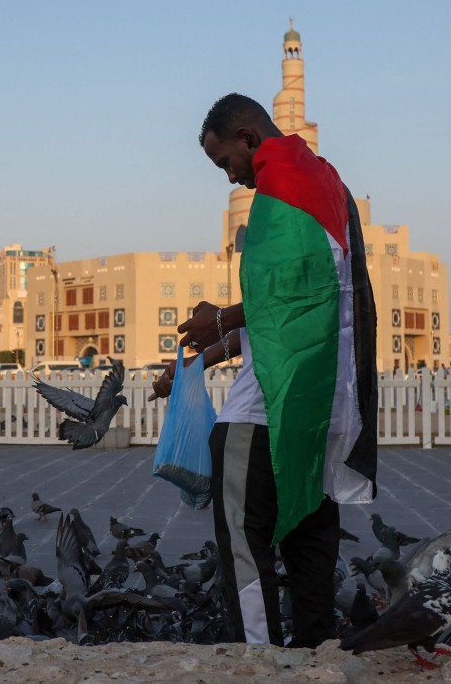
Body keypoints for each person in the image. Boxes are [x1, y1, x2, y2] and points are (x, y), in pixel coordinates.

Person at [149, 93, 378, 648]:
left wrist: (220, 316)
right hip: (320, 412)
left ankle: (261, 661)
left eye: (226, 162)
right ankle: (317, 654)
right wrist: (198, 361)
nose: (232, 178)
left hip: (262, 418)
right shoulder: (326, 183)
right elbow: (292, 319)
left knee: (244, 549)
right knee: (311, 548)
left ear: (249, 138)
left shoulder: (286, 186)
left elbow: (298, 294)